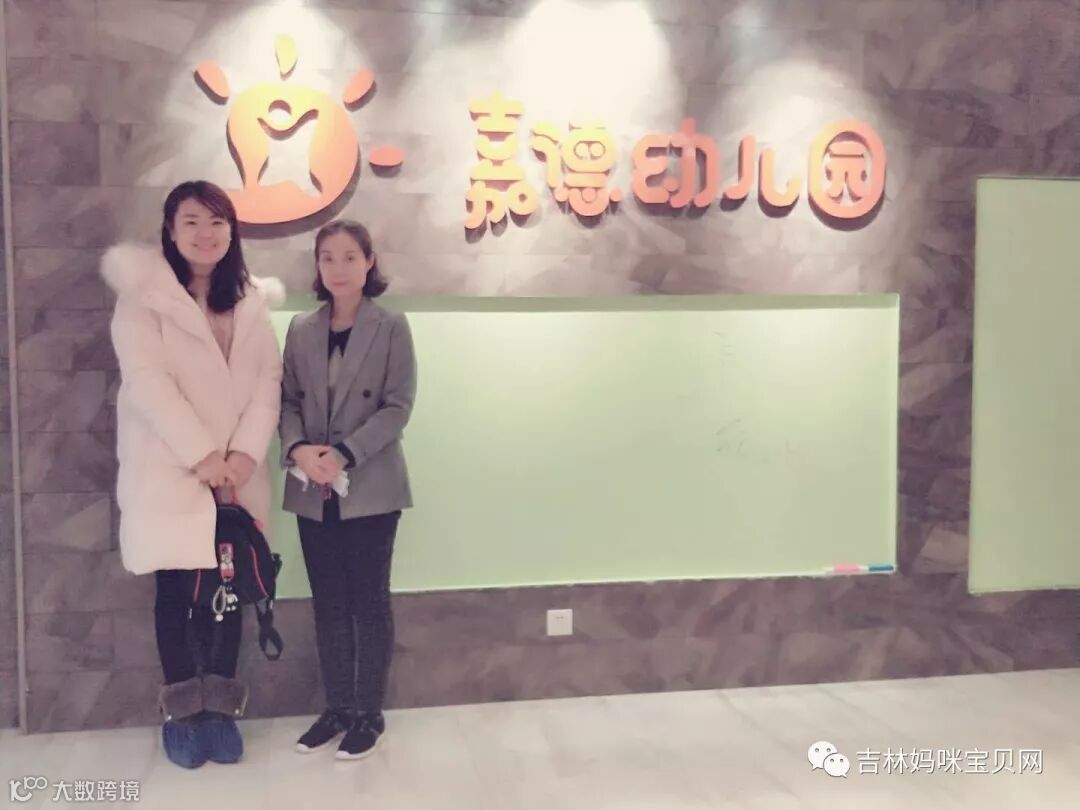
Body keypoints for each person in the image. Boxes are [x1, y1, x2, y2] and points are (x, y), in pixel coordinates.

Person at [102, 180, 284, 769]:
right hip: (172, 471)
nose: (205, 234)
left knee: (228, 595)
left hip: (237, 475)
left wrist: (244, 456)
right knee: (177, 596)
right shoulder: (143, 299)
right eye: (192, 222)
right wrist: (204, 456)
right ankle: (182, 713)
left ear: (232, 231)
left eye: (217, 222)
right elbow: (147, 383)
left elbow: (268, 383)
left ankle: (222, 710)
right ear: (171, 230)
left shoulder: (251, 300)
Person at [279, 220, 417, 761]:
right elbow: (287, 401)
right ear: (318, 266)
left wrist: (343, 453)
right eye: (328, 258)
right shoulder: (301, 328)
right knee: (328, 602)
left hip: (371, 485)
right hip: (312, 488)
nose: (338, 268)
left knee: (368, 601)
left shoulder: (391, 326)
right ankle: (336, 708)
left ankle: (368, 713)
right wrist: (299, 451)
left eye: (349, 257)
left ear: (369, 262)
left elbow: (398, 407)